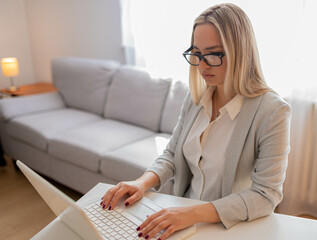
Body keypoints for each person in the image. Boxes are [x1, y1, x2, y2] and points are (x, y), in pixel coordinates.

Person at [101, 3, 291, 240]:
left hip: (227, 226)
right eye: (197, 54)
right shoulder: (196, 99)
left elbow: (266, 195)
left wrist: (191, 213)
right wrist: (142, 183)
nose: (201, 66)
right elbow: (171, 155)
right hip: (183, 219)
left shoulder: (273, 111)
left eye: (212, 54)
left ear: (240, 51)